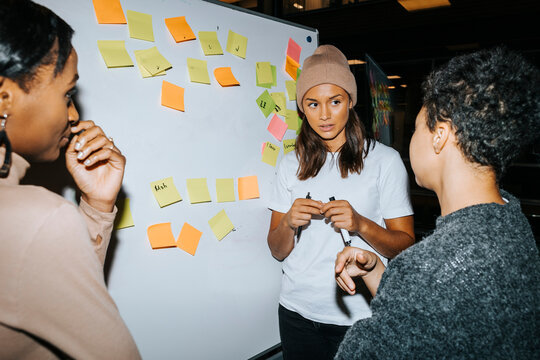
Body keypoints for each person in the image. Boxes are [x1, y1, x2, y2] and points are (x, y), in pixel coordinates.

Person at [334, 47, 540, 359]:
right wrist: (377, 270)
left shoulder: (430, 268)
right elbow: (432, 325)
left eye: (417, 127)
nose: (411, 139)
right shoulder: (513, 222)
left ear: (439, 136)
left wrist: (406, 277)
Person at [0, 1, 141, 358]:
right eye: (67, 94)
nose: (74, 113)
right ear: (4, 98)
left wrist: (97, 205)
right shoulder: (36, 218)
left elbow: (54, 300)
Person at [267, 45, 415, 359]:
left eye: (335, 101)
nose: (324, 114)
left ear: (350, 101)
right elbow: (277, 249)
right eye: (313, 103)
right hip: (296, 312)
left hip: (362, 317)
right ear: (302, 108)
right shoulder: (288, 165)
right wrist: (288, 222)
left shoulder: (385, 162)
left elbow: (405, 248)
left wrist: (361, 224)